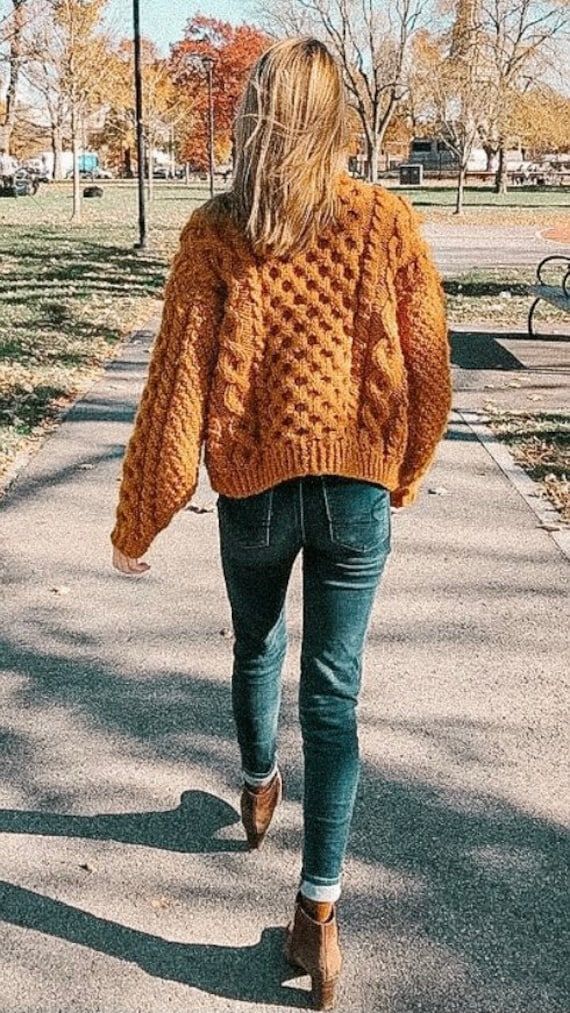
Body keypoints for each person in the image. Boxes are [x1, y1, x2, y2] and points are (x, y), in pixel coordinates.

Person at [110, 37, 452, 1011]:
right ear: (335, 116)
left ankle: (259, 784)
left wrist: (140, 516)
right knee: (335, 694)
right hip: (353, 490)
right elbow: (428, 370)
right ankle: (318, 909)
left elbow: (176, 383)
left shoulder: (215, 230)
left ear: (258, 115)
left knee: (257, 644)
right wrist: (407, 467)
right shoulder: (386, 220)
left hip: (255, 490)